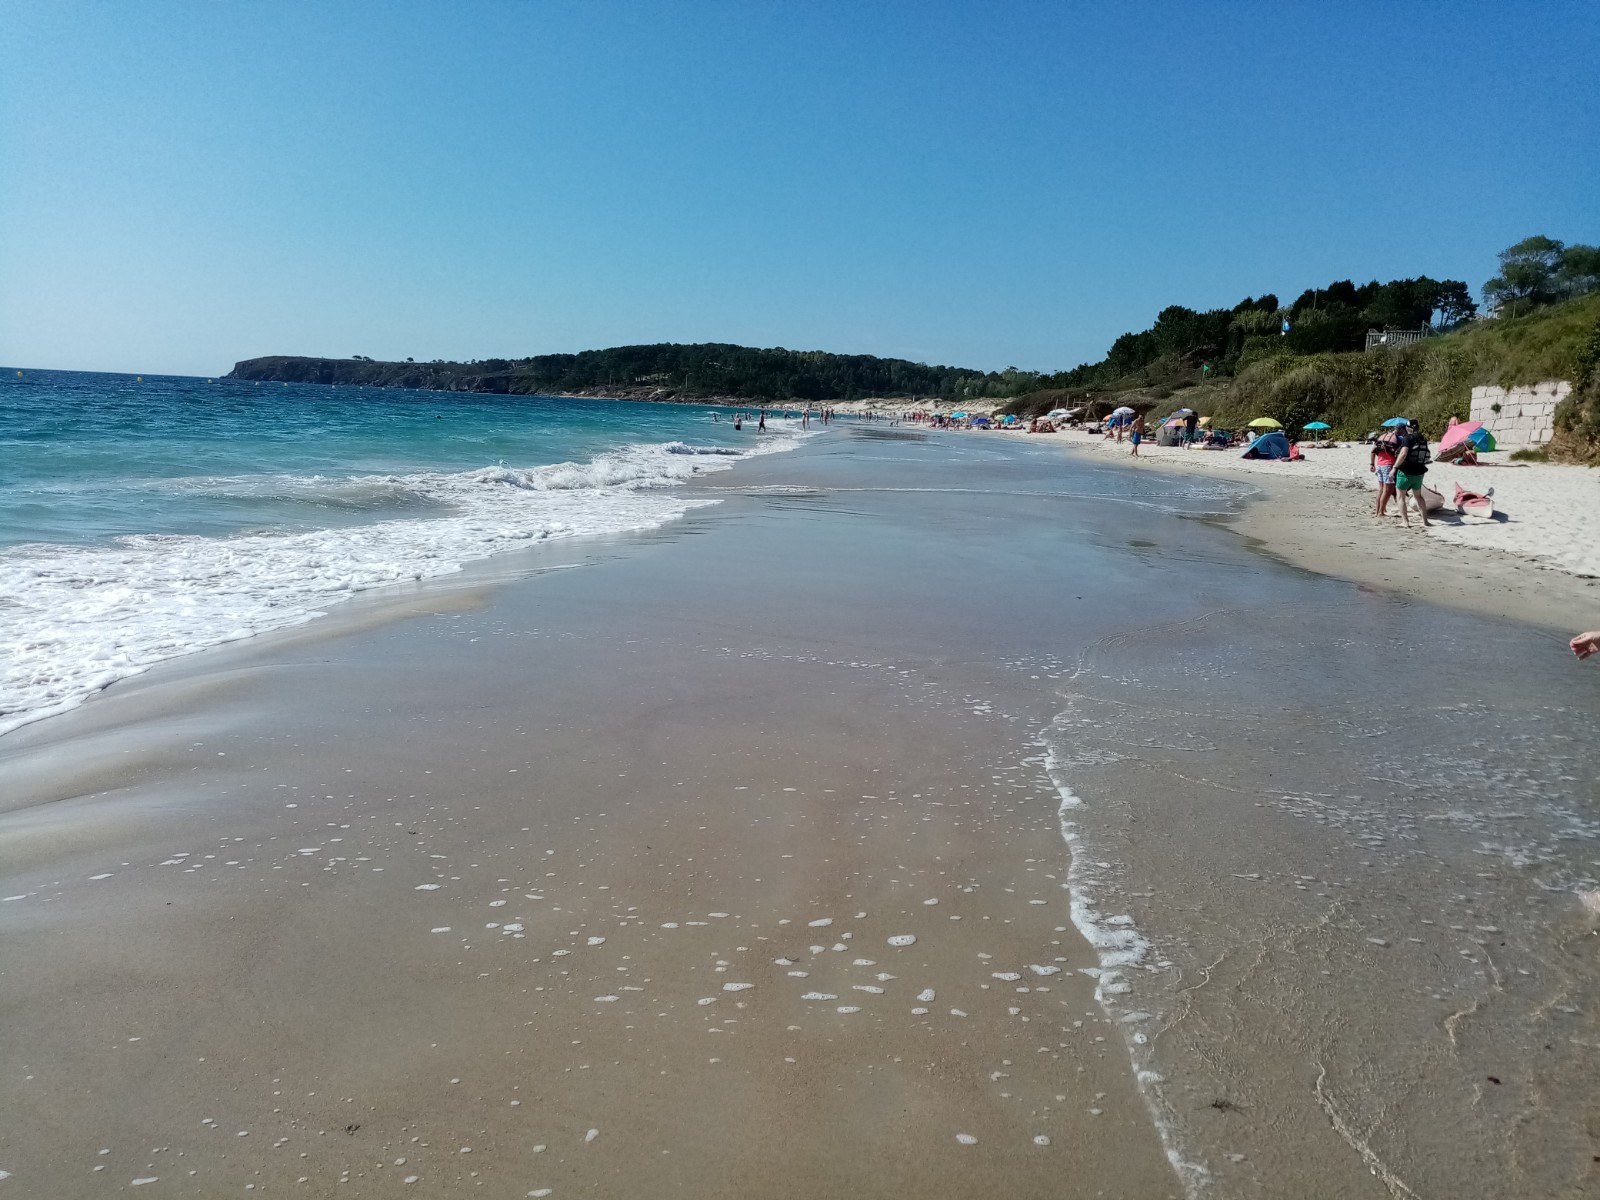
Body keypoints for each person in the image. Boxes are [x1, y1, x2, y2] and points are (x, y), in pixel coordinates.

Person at [1391, 419, 1432, 527]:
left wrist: (1394, 467)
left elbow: (1403, 453)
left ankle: (1405, 522)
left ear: (1408, 428)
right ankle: (1425, 521)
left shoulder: (1408, 438)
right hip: (1419, 472)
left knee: (1400, 497)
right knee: (1418, 496)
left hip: (1406, 471)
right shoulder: (1422, 438)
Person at [1370, 429, 1399, 517]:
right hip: (1389, 465)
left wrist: (1372, 464)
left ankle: (1378, 511)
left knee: (1381, 489)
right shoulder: (1396, 438)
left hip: (1379, 465)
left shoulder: (1381, 437)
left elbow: (1373, 451)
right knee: (1387, 490)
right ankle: (1380, 512)